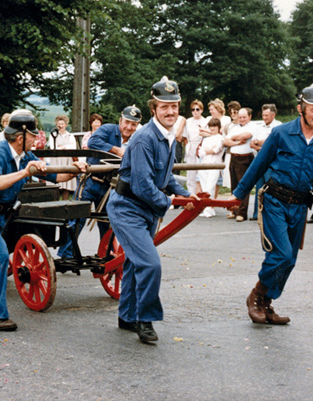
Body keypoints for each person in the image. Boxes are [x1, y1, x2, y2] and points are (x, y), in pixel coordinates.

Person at [231, 83, 313, 325]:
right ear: (301, 108)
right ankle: (256, 296)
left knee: (289, 260)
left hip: (300, 206)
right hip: (274, 201)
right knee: (279, 254)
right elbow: (258, 166)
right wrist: (238, 195)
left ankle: (267, 303)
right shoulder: (281, 134)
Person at [0, 109, 87, 331]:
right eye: (33, 135)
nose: (36, 138)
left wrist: (75, 170)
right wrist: (25, 173)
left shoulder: (25, 156)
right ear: (19, 137)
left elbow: (54, 175)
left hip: (0, 213)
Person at [106, 77, 199, 343]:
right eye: (163, 107)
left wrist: (184, 194)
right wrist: (170, 202)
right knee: (150, 263)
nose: (170, 112)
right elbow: (143, 185)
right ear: (153, 109)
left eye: (174, 106)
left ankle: (127, 316)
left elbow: (165, 176)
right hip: (127, 208)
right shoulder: (144, 138)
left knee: (137, 262)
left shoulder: (168, 137)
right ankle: (145, 319)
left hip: (145, 208)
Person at [56, 105, 141, 259]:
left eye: (133, 124)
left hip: (112, 187)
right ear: (120, 120)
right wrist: (116, 150)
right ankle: (66, 255)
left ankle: (106, 253)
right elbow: (93, 142)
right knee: (78, 217)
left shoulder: (137, 138)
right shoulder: (108, 129)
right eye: (126, 122)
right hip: (91, 182)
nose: (129, 127)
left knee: (109, 222)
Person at [249, 104, 282, 220]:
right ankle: (257, 213)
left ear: (273, 115)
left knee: (270, 186)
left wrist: (262, 144)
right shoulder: (259, 127)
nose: (264, 117)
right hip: (259, 157)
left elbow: (272, 143)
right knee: (259, 186)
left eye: (267, 115)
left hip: (271, 160)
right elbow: (252, 143)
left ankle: (271, 213)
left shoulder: (278, 127)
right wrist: (262, 145)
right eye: (263, 115)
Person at [224, 107, 255, 221]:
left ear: (249, 117)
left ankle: (242, 213)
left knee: (243, 185)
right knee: (234, 185)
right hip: (234, 158)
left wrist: (233, 139)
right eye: (240, 117)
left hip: (245, 158)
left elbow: (246, 136)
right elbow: (225, 141)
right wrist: (237, 142)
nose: (241, 119)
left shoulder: (252, 126)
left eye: (244, 117)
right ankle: (234, 209)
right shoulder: (234, 127)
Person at [197, 118, 225, 218]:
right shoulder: (206, 139)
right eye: (211, 126)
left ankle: (209, 209)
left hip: (214, 165)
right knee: (204, 187)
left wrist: (209, 150)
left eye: (215, 126)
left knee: (210, 187)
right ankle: (207, 209)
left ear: (218, 127)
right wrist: (209, 150)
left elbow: (217, 150)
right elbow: (201, 153)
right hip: (204, 165)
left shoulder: (221, 138)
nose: (212, 128)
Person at [46, 115, 77, 200]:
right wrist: (62, 147)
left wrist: (64, 147)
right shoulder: (53, 135)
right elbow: (52, 147)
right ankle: (55, 202)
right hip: (56, 160)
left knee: (66, 184)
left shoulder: (70, 136)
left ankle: (65, 201)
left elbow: (73, 147)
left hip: (67, 160)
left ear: (66, 124)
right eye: (59, 124)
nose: (61, 126)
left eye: (62, 124)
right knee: (56, 182)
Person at [183, 100, 207, 192]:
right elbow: (185, 137)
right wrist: (188, 147)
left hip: (201, 146)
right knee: (190, 172)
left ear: (201, 110)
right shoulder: (188, 121)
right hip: (191, 146)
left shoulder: (205, 121)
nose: (195, 112)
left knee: (201, 172)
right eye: (193, 110)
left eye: (197, 109)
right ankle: (191, 194)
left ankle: (201, 193)